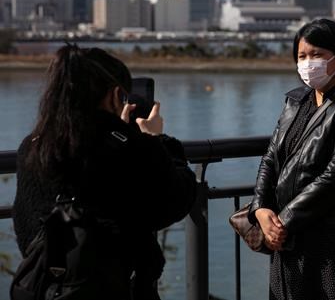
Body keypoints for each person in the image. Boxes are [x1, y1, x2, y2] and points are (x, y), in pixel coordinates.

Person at [12, 45, 197, 300]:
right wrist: (157, 140)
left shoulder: (32, 146)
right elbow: (176, 200)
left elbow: (25, 228)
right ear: (115, 95)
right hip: (117, 288)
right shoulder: (131, 147)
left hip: (49, 288)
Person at [249, 19, 335, 300]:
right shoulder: (296, 102)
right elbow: (271, 157)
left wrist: (282, 222)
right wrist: (261, 209)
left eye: (318, 54)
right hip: (292, 239)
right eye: (302, 56)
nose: (309, 63)